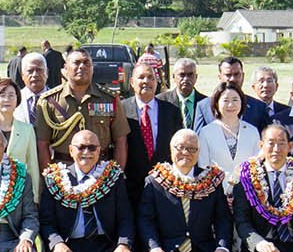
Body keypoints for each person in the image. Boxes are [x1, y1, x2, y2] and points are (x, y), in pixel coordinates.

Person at [35, 49, 129, 178]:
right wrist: (51, 178)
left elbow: (121, 140)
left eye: (86, 63)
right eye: (77, 62)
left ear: (92, 68)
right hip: (64, 173)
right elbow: (42, 143)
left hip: (101, 173)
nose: (82, 66)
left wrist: (115, 176)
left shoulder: (109, 99)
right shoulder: (50, 102)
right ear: (65, 68)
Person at [120, 59, 182, 200]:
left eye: (150, 77)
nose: (146, 81)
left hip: (164, 186)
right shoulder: (122, 109)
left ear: (156, 82)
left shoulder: (171, 111)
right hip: (131, 187)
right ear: (132, 82)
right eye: (141, 77)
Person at [0, 77, 42, 195]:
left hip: (18, 193)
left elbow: (32, 167)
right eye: (2, 95)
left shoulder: (27, 130)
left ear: (17, 99)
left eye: (11, 95)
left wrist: (35, 197)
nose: (7, 99)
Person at [195, 83, 261, 176]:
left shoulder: (252, 131)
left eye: (235, 100)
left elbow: (256, 165)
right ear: (216, 103)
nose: (231, 105)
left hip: (246, 184)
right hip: (215, 184)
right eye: (225, 100)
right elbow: (203, 166)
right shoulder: (206, 132)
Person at [195, 56, 269, 130]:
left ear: (243, 76)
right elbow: (198, 136)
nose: (232, 79)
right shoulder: (204, 107)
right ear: (220, 77)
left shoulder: (258, 107)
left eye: (236, 74)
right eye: (228, 75)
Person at [168, 58, 204, 130]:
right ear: (174, 77)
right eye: (182, 75)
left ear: (196, 77)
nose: (186, 79)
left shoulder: (206, 103)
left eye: (190, 75)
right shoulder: (162, 101)